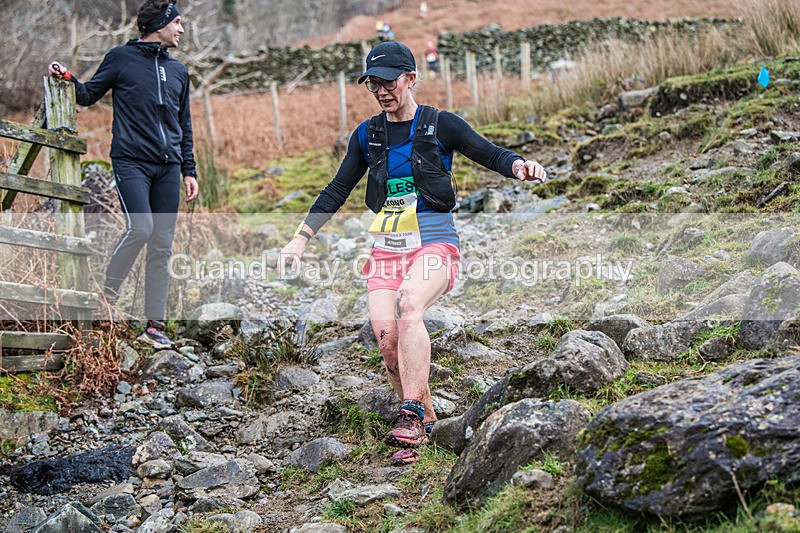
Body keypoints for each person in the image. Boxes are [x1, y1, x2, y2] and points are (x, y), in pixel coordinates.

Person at [278, 41, 546, 463]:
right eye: (372, 84)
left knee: (410, 305)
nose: (381, 91)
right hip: (386, 248)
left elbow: (490, 153)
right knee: (387, 342)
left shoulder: (441, 124)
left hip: (435, 241)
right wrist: (301, 237)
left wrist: (519, 166)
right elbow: (336, 189)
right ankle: (425, 427)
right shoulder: (367, 135)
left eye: (388, 82)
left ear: (411, 79)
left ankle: (409, 412)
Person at [49, 0, 199, 349]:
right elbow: (88, 95)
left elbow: (185, 124)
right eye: (176, 22)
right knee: (140, 228)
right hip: (131, 161)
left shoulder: (178, 72)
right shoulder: (121, 58)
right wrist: (69, 79)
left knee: (161, 245)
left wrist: (189, 170)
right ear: (159, 25)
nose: (180, 29)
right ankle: (107, 297)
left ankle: (154, 326)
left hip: (169, 167)